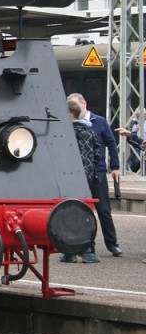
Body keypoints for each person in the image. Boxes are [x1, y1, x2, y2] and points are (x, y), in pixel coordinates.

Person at [67, 93, 123, 260]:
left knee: (104, 209)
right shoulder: (68, 125)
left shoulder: (99, 122)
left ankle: (112, 244)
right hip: (79, 173)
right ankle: (88, 247)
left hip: (97, 171)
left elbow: (111, 143)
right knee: (82, 210)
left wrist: (115, 166)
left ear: (84, 104)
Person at [65, 100, 103, 263]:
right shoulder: (90, 132)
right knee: (86, 212)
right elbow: (97, 154)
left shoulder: (65, 133)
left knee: (67, 212)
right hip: (86, 177)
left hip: (68, 176)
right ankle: (89, 250)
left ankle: (69, 251)